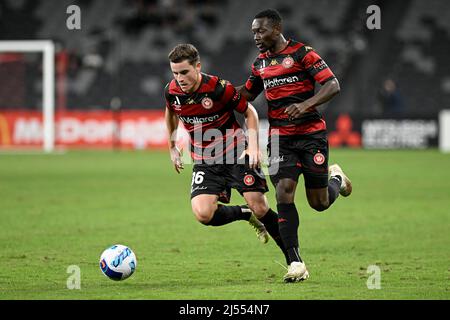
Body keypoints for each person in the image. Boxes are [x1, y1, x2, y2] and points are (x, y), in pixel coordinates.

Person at [238, 9, 352, 282]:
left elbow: (332, 85)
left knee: (319, 203)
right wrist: (217, 91)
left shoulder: (303, 54)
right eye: (253, 31)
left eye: (260, 31)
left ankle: (335, 177)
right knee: (283, 191)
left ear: (276, 29)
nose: (256, 36)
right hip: (280, 139)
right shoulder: (260, 64)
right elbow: (247, 94)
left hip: (311, 135)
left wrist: (305, 104)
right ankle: (296, 262)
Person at [164, 43, 291, 266]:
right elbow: (171, 113)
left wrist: (253, 146)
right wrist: (172, 146)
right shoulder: (172, 91)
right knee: (203, 214)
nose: (180, 78)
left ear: (198, 66)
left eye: (184, 72)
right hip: (205, 159)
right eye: (175, 73)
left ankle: (293, 261)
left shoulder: (218, 88)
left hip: (236, 152)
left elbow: (249, 111)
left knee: (260, 207)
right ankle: (243, 213)